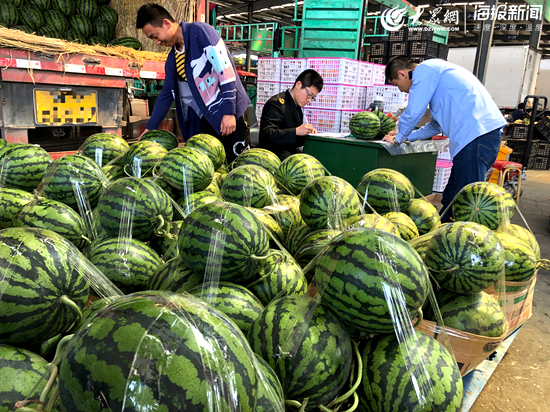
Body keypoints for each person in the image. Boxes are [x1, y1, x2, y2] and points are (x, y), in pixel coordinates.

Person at [382, 56, 507, 222]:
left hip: (476, 137)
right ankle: (442, 231)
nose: (402, 91)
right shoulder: (437, 79)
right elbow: (434, 127)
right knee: (451, 196)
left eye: (397, 85)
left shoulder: (424, 71)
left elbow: (414, 111)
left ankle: (467, 241)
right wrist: (405, 137)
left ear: (403, 74)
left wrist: (398, 137)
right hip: (476, 138)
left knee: (467, 201)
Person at [136, 3, 251, 163]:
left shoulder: (200, 32)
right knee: (212, 168)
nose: (156, 42)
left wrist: (229, 112)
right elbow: (166, 95)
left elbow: (225, 70)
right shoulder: (172, 60)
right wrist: (149, 128)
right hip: (208, 118)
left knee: (239, 164)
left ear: (166, 23)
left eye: (155, 36)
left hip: (230, 113)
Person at [259, 69, 323, 160]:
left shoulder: (297, 107)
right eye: (309, 95)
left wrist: (308, 135)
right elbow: (267, 135)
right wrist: (296, 131)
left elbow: (292, 139)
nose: (309, 100)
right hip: (273, 157)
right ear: (298, 85)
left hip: (290, 155)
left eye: (312, 98)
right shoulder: (276, 104)